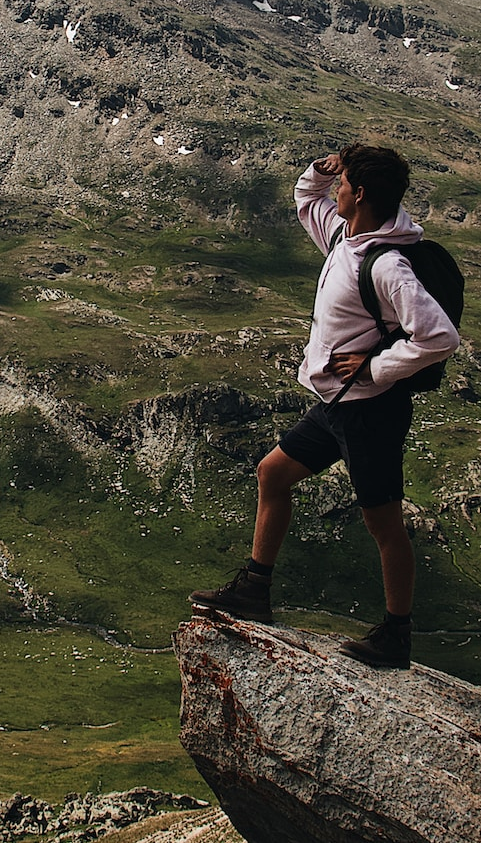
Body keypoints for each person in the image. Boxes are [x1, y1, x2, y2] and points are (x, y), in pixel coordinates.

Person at [190, 143, 460, 669]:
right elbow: (304, 195)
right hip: (335, 405)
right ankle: (254, 588)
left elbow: (438, 336)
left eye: (343, 184)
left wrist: (373, 366)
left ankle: (395, 634)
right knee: (273, 473)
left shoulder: (387, 265)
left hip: (370, 412)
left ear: (359, 194)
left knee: (383, 523)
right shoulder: (344, 235)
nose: (333, 190)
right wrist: (326, 167)